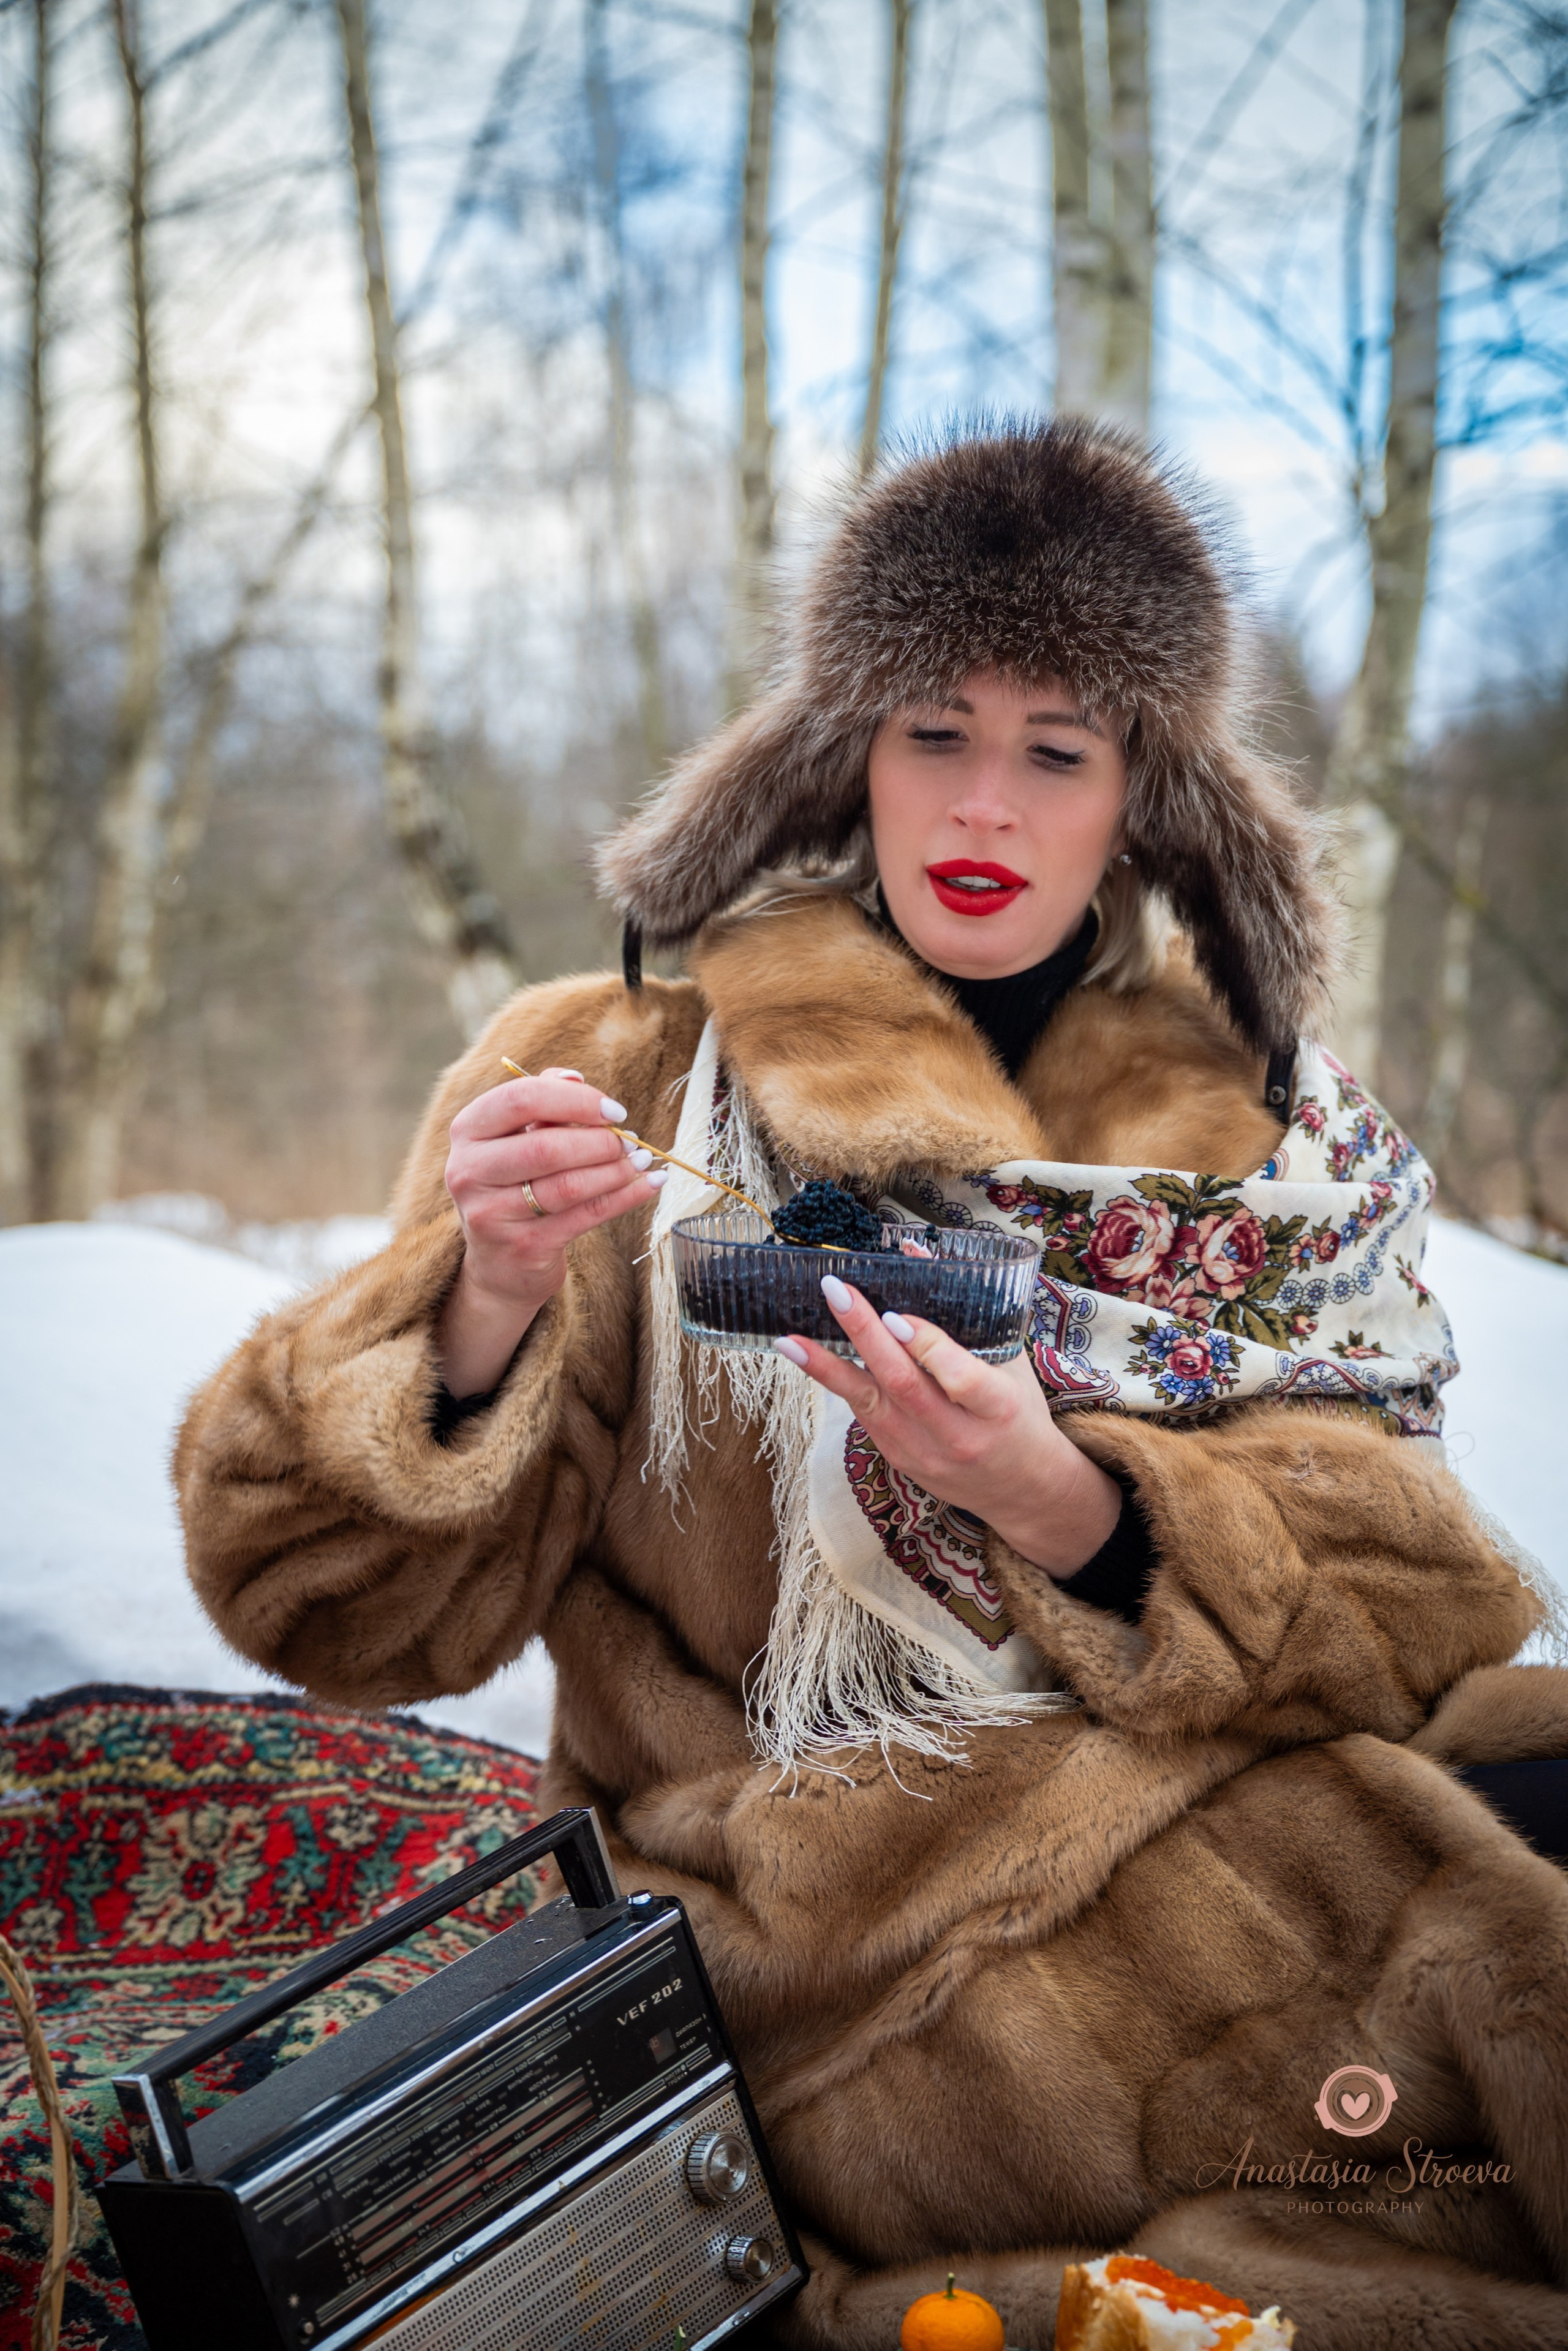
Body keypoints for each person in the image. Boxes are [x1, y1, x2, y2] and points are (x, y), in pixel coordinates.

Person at [177, 423, 1568, 2349]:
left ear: (1143, 797)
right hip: (862, 1915)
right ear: (845, 744)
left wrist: (1070, 1508)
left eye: (1056, 748)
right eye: (934, 729)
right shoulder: (623, 1069)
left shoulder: (1257, 1122)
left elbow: (1426, 1598)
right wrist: (486, 1289)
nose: (983, 802)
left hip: (1227, 1766)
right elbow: (327, 1602)